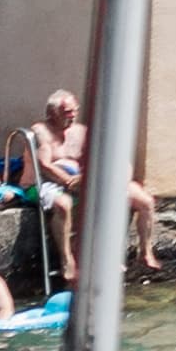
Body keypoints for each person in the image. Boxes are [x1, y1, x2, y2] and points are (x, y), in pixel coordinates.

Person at [25, 92, 155, 286]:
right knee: (64, 204)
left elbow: (114, 157)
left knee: (145, 201)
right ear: (52, 112)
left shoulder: (81, 131)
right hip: (44, 183)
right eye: (67, 112)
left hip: (79, 182)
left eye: (75, 111)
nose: (72, 116)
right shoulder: (41, 131)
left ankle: (145, 252)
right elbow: (44, 166)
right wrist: (69, 181)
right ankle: (67, 259)